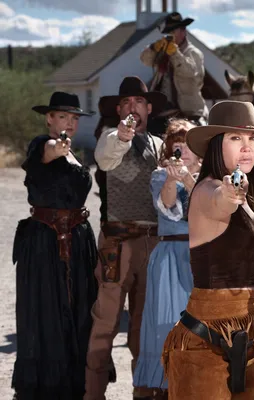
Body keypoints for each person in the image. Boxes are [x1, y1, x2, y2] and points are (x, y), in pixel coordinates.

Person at [161, 101, 254, 399]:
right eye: (235, 138)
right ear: (217, 144)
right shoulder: (208, 190)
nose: (247, 147)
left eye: (253, 138)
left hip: (247, 329)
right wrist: (229, 195)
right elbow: (220, 201)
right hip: (206, 337)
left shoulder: (244, 193)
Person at [12, 92, 97, 399]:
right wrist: (56, 147)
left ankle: (75, 384)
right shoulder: (41, 144)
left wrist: (66, 150)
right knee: (47, 310)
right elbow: (47, 151)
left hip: (78, 239)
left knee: (79, 310)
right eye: (63, 116)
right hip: (45, 242)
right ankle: (46, 388)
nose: (70, 123)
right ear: (49, 119)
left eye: (74, 118)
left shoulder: (77, 153)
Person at [86, 76, 166, 400]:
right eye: (126, 103)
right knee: (104, 324)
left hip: (153, 243)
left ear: (148, 108)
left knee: (144, 327)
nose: (133, 107)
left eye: (138, 102)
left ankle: (144, 391)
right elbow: (105, 158)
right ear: (119, 109)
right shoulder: (109, 138)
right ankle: (92, 393)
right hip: (117, 243)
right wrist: (122, 136)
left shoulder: (160, 145)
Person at [132, 119, 200, 399]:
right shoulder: (160, 175)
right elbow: (170, 208)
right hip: (170, 257)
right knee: (166, 323)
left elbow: (205, 207)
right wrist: (174, 179)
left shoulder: (210, 177)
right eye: (176, 145)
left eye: (187, 145)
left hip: (201, 257)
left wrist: (188, 178)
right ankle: (165, 386)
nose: (181, 150)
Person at [141, 12, 208, 124]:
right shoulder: (164, 51)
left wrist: (175, 53)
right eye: (169, 32)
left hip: (189, 111)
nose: (170, 35)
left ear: (183, 32)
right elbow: (145, 60)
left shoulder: (194, 53)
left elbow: (190, 72)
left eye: (173, 31)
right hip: (164, 110)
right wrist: (153, 48)